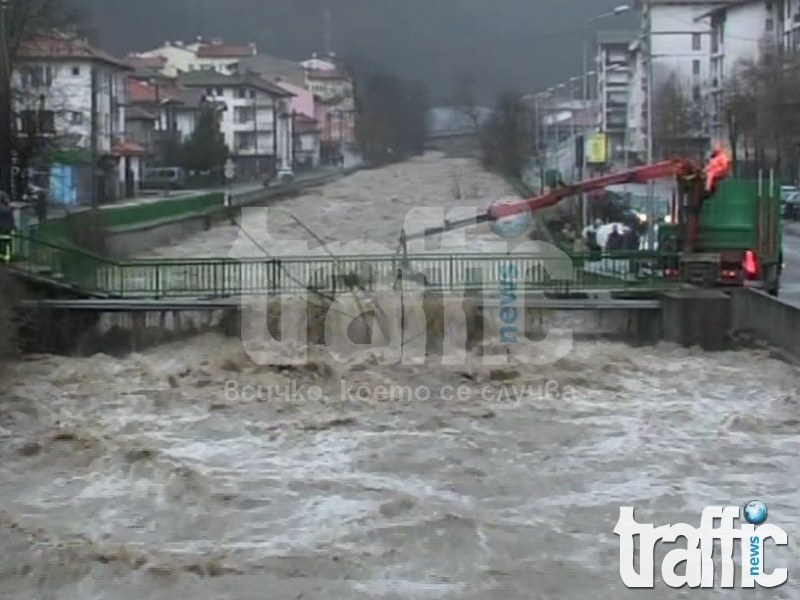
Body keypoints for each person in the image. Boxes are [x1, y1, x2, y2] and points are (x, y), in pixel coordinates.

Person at [0, 193, 16, 263]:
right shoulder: (4, 208)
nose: (8, 200)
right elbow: (7, 211)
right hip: (4, 228)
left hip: (6, 228)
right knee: (5, 243)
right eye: (7, 199)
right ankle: (5, 257)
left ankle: (6, 257)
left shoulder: (6, 207)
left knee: (7, 243)